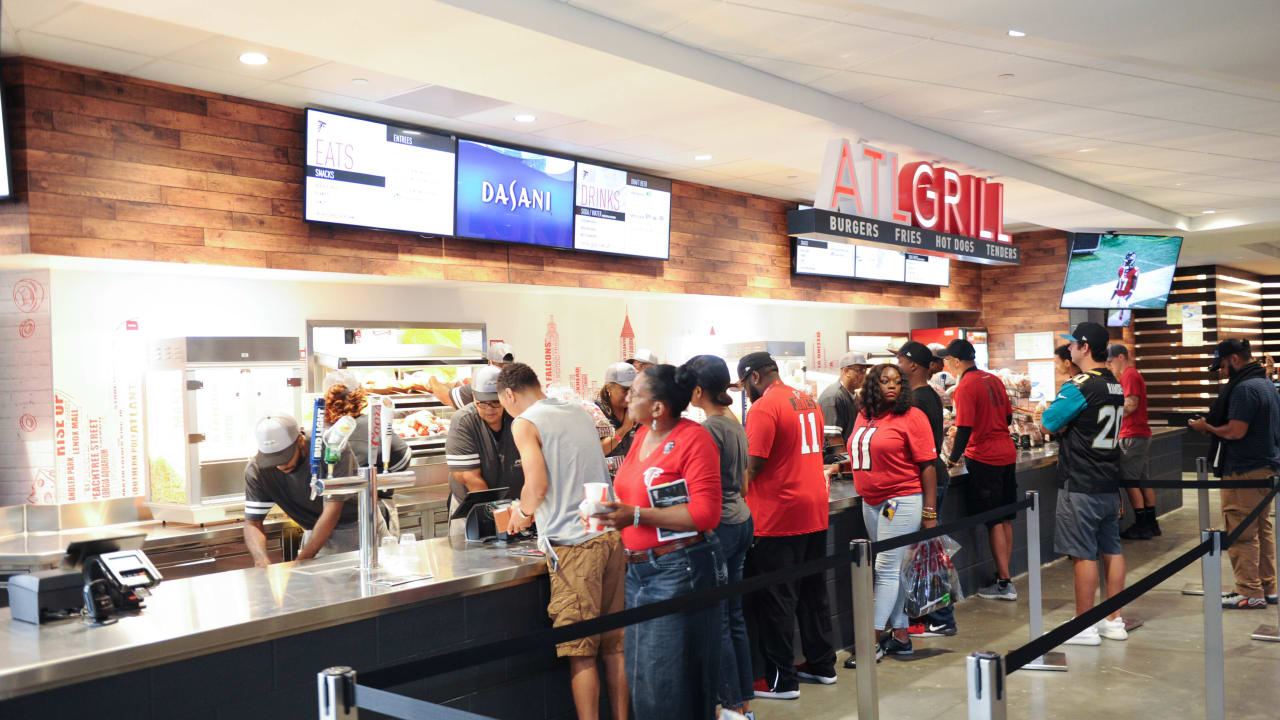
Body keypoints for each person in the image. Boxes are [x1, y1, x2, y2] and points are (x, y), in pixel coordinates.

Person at [590, 365, 724, 720]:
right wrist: (607, 514)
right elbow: (631, 496)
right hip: (637, 571)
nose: (628, 397)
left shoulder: (694, 439)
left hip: (677, 570)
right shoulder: (639, 437)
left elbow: (706, 513)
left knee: (667, 681)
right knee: (642, 674)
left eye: (636, 392)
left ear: (659, 407)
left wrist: (634, 516)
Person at [498, 363, 628, 720]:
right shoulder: (578, 411)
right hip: (608, 535)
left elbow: (536, 486)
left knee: (581, 651)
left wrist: (521, 515)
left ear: (509, 394)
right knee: (614, 648)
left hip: (574, 546)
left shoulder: (524, 423)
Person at [738, 351, 837, 699]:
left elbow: (754, 466)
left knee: (777, 598)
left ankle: (781, 680)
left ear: (752, 378)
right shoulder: (807, 398)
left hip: (778, 514)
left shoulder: (764, 407)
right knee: (813, 592)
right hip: (814, 507)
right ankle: (822, 664)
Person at [845, 363, 939, 665]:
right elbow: (865, 452)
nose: (891, 386)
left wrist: (929, 511)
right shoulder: (864, 415)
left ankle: (869, 641)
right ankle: (900, 635)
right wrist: (840, 466)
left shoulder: (912, 416)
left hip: (900, 500)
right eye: (884, 381)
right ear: (873, 385)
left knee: (885, 568)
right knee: (894, 569)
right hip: (871, 501)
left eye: (897, 382)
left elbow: (928, 466)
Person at [1041, 322, 1128, 645]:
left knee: (1083, 554)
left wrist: (1061, 427)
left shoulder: (1078, 385)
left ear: (1085, 348)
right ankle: (1113, 620)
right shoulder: (1113, 384)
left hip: (1080, 482)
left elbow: (1049, 422)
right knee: (1112, 548)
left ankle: (1084, 625)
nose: (1069, 349)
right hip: (1108, 479)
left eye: (1073, 344)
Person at [684, 354, 754, 717]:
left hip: (722, 526)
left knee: (721, 619)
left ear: (698, 391)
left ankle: (729, 704)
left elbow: (704, 488)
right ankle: (741, 702)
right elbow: (743, 483)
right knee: (735, 616)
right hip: (742, 520)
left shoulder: (710, 429)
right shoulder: (733, 421)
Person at [1189, 338, 1279, 610]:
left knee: (1241, 529)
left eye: (1224, 365)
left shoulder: (1243, 390)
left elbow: (1235, 431)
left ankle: (1249, 590)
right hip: (1265, 467)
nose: (1223, 371)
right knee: (1262, 528)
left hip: (1243, 469)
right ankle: (1267, 586)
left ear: (1235, 360)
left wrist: (1207, 428)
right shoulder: (1266, 384)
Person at [939, 338, 1019, 601]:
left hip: (985, 457)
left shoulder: (964, 387)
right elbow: (1007, 418)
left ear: (957, 361)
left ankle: (1004, 582)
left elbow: (964, 429)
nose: (947, 366)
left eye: (948, 361)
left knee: (994, 519)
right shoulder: (992, 379)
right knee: (1005, 517)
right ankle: (1006, 575)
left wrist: (952, 459)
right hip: (1006, 451)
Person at [243, 413, 382, 564]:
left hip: (357, 526)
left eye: (285, 457)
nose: (280, 465)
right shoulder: (257, 470)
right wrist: (261, 560)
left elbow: (332, 512)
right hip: (315, 531)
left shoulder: (331, 447)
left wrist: (301, 562)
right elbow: (252, 523)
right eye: (273, 460)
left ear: (300, 441)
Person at [896, 342, 957, 639]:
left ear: (913, 365)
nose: (896, 363)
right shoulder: (928, 394)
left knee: (930, 552)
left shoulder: (918, 400)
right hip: (934, 476)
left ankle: (942, 617)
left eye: (900, 358)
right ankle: (936, 614)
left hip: (927, 480)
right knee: (928, 551)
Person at [323, 369, 410, 537]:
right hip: (376, 510)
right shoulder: (372, 426)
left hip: (328, 518)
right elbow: (403, 456)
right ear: (359, 395)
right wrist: (382, 475)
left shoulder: (320, 431)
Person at [444, 365, 525, 509]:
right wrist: (492, 513)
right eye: (483, 403)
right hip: (473, 505)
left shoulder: (518, 417)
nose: (490, 409)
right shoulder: (464, 421)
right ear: (474, 397)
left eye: (496, 402)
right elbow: (469, 477)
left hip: (515, 505)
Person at [1106, 344, 1159, 540]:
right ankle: (1152, 523)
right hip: (1138, 435)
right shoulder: (1131, 375)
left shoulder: (1129, 375)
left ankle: (1142, 525)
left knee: (1130, 481)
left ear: (1121, 357)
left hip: (1132, 435)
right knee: (1142, 479)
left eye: (1111, 362)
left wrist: (1108, 414)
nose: (1110, 366)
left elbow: (1130, 405)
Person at [818, 352, 870, 469]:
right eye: (859, 371)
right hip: (833, 466)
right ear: (846, 371)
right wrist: (848, 463)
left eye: (864, 371)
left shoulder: (854, 396)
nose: (864, 375)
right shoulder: (833, 396)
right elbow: (833, 438)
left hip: (847, 464)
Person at [432, 342, 515, 410]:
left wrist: (431, 379)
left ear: (490, 362)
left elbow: (445, 397)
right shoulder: (517, 383)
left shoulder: (481, 387)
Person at [598, 362, 639, 464]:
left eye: (633, 390)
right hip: (605, 477)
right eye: (625, 390)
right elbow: (599, 451)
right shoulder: (596, 412)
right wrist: (624, 429)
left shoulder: (636, 409)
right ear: (609, 388)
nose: (630, 395)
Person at [1110, 250, 1139, 325]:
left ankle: (1121, 324)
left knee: (1122, 315)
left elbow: (1133, 286)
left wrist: (1127, 298)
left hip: (1125, 295)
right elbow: (1119, 282)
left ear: (1132, 261)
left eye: (1128, 261)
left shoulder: (1135, 271)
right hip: (1118, 294)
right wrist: (1113, 294)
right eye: (1126, 261)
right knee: (1111, 308)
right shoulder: (1121, 269)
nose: (1126, 262)